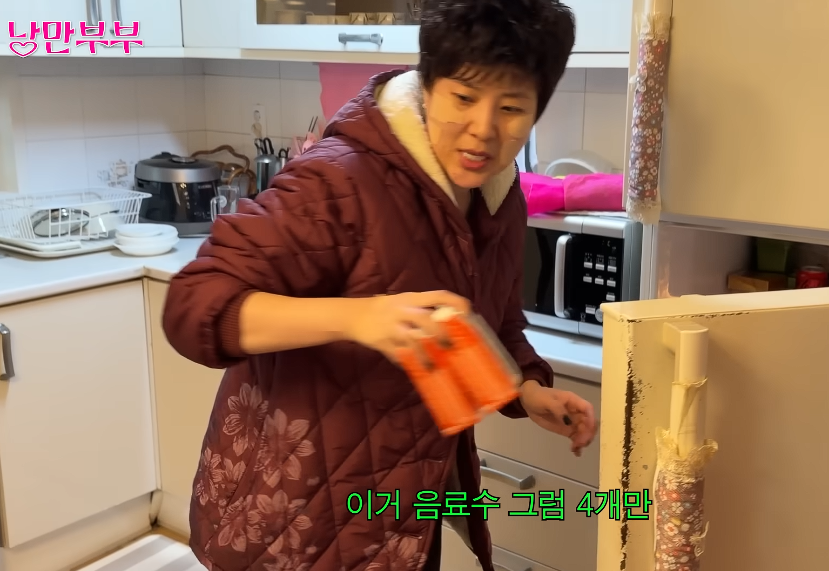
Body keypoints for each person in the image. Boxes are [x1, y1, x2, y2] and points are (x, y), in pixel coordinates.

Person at [162, 0, 595, 569]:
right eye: (464, 98)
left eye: (512, 108)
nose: (484, 130)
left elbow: (493, 321)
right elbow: (193, 304)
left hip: (402, 513)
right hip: (294, 513)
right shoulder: (338, 180)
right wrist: (358, 317)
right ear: (428, 85)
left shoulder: (498, 197)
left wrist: (527, 390)